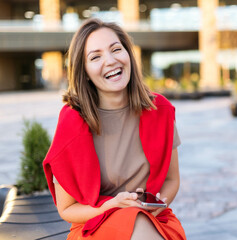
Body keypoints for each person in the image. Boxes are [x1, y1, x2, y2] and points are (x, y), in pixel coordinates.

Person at [43, 18, 186, 240]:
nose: (110, 61)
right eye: (96, 57)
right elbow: (67, 209)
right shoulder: (72, 121)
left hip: (155, 220)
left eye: (116, 49)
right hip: (94, 223)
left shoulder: (160, 110)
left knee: (139, 221)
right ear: (85, 72)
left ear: (128, 54)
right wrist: (112, 206)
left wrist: (153, 207)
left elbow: (171, 180)